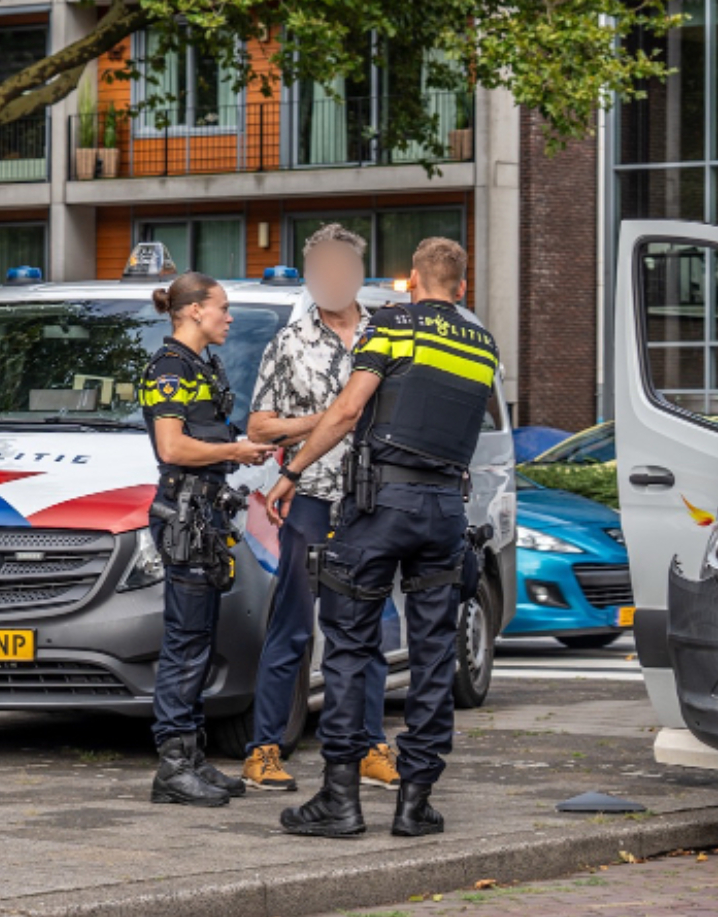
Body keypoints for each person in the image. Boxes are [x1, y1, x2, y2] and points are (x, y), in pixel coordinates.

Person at [267, 237, 498, 839]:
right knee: (433, 654)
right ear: (462, 288)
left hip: (381, 506)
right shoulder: (483, 344)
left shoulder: (393, 327)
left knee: (349, 645)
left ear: (412, 281)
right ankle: (416, 803)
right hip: (445, 511)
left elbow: (348, 411)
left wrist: (294, 472)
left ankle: (339, 801)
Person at [240, 223, 399, 793]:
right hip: (309, 498)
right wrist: (332, 418)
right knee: (292, 625)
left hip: (372, 501)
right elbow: (260, 426)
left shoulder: (388, 335)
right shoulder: (288, 342)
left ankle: (370, 746)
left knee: (364, 627)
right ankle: (263, 750)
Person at [140, 272, 274, 806]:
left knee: (199, 641)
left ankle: (192, 757)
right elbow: (172, 448)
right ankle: (173, 768)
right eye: (222, 307)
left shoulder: (202, 365)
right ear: (195, 310)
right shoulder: (169, 368)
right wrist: (235, 451)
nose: (229, 317)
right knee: (185, 643)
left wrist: (243, 446)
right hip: (186, 514)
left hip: (205, 515)